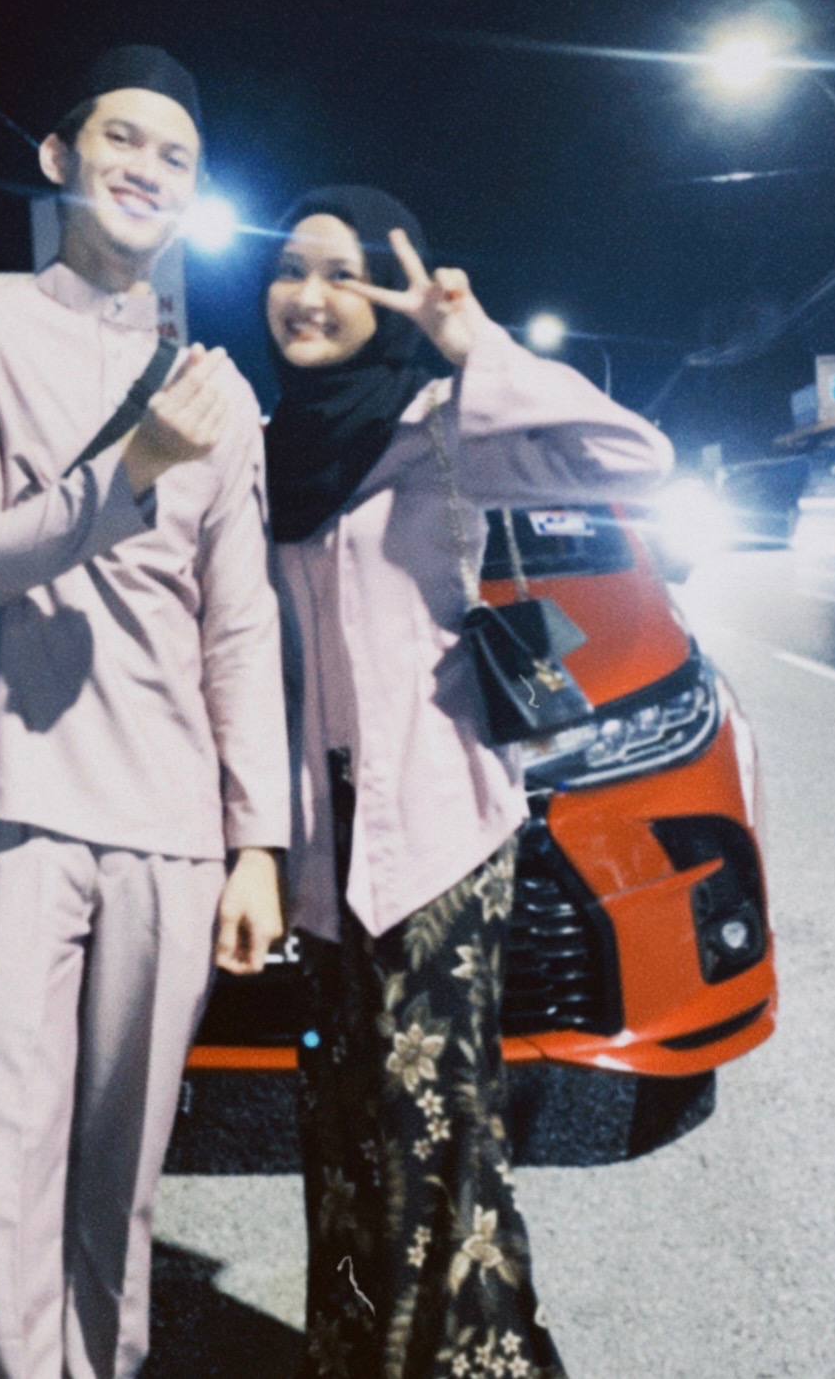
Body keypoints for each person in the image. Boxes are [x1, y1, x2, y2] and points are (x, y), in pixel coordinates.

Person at [0, 45, 289, 1379]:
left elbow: (237, 624)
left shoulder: (216, 391)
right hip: (13, 790)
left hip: (171, 820)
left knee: (124, 1168)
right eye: (121, 139)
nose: (146, 169)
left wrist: (256, 841)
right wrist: (136, 465)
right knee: (2, 1151)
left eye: (176, 156)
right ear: (58, 157)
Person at [263, 186, 674, 1379]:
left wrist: (470, 341)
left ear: (383, 298)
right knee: (343, 1125)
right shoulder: (259, 448)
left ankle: (472, 1361)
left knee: (435, 1130)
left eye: (342, 273)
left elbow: (634, 461)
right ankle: (353, 1350)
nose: (309, 295)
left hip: (437, 829)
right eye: (290, 269)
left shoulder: (440, 424)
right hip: (317, 844)